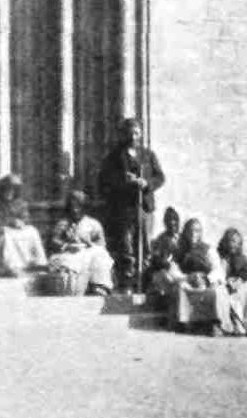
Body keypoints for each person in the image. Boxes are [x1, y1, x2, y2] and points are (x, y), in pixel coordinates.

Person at [97, 117, 165, 292]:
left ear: (141, 134)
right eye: (129, 133)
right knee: (126, 246)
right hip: (124, 208)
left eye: (136, 133)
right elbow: (105, 181)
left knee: (145, 245)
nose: (133, 137)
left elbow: (160, 177)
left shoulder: (148, 155)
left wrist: (146, 183)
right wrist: (125, 181)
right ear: (123, 135)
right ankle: (127, 282)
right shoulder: (114, 157)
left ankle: (144, 282)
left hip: (144, 207)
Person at [0, 174, 46, 277]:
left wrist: (21, 222)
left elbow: (25, 218)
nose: (9, 192)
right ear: (2, 189)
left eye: (12, 189)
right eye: (7, 189)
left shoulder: (20, 203)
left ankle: (37, 263)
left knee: (32, 230)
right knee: (6, 236)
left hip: (15, 231)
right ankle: (12, 266)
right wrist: (10, 222)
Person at [45, 191, 113, 295]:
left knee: (100, 255)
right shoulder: (63, 223)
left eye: (79, 207)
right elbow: (53, 241)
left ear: (85, 207)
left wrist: (88, 243)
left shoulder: (93, 224)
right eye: (73, 207)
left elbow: (101, 245)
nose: (75, 210)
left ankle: (100, 286)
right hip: (69, 254)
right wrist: (67, 245)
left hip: (88, 254)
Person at [215, 228, 247, 336]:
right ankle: (229, 326)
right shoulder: (216, 256)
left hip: (234, 291)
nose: (233, 245)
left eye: (236, 242)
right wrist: (224, 281)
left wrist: (240, 279)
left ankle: (246, 324)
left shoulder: (241, 258)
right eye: (231, 241)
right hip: (219, 289)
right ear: (225, 242)